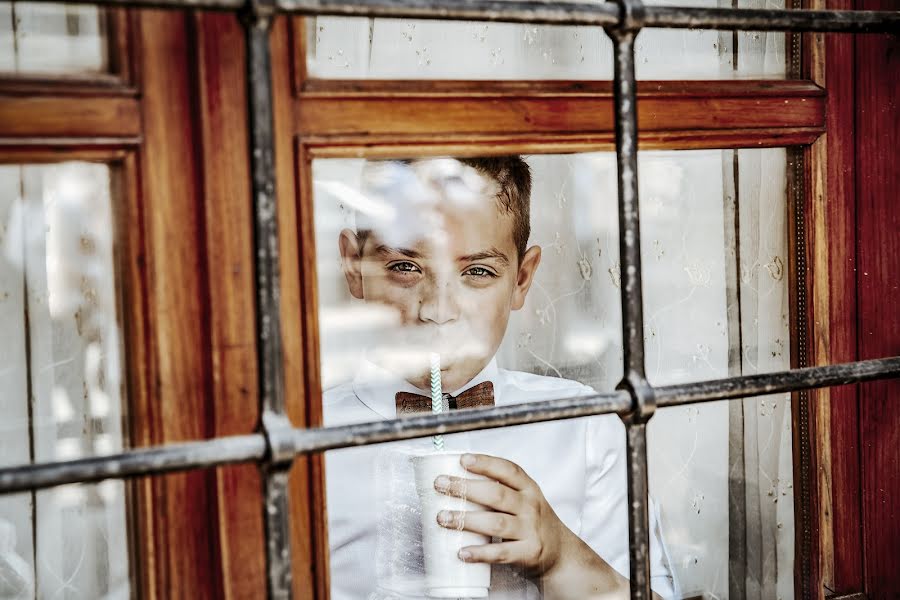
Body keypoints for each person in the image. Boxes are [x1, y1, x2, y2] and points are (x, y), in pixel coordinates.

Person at [323, 156, 677, 599]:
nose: (438, 310)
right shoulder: (306, 444)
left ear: (522, 279)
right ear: (354, 266)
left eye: (477, 272)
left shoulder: (584, 427)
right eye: (404, 267)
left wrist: (560, 556)